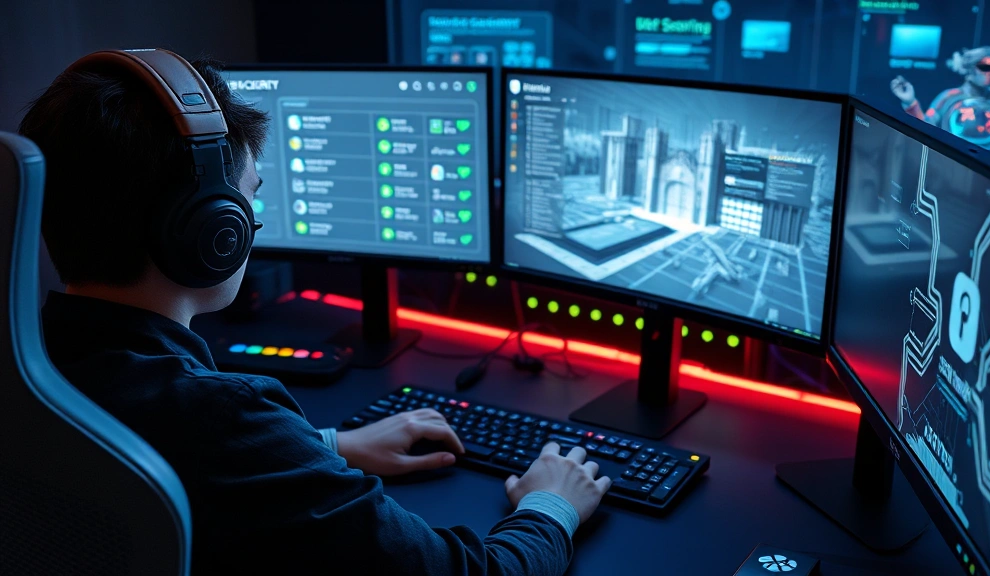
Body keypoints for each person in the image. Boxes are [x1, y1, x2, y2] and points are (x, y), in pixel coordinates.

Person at [20, 50, 611, 575]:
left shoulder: (35, 364)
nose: (255, 219)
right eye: (249, 196)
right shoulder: (222, 416)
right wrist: (551, 503)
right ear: (210, 232)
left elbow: (170, 466)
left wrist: (323, 446)